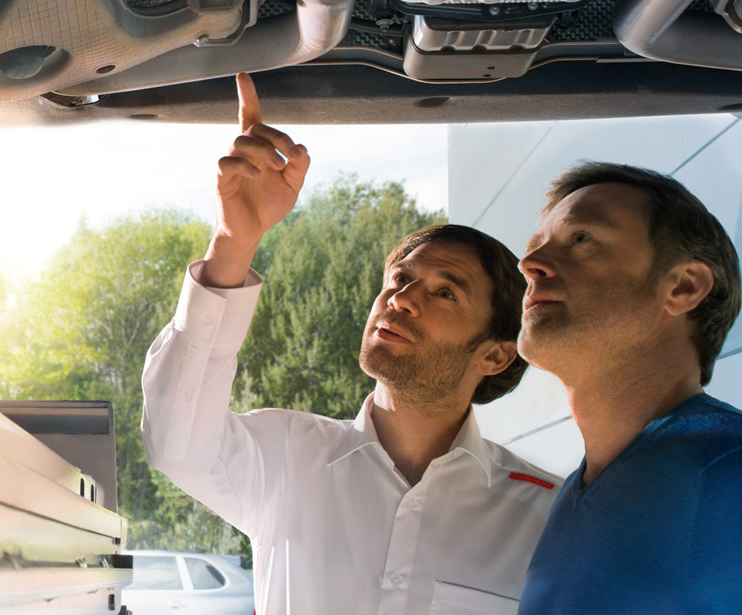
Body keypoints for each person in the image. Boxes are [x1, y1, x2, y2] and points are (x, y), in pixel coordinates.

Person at [141, 73, 559, 615]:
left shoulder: (549, 517)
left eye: (445, 292)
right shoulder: (287, 457)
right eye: (398, 279)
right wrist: (233, 241)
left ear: (497, 353)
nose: (401, 299)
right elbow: (174, 442)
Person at [514, 163, 742, 613]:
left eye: (581, 238)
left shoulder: (730, 470)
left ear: (683, 286)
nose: (528, 265)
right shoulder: (573, 494)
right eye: (535, 247)